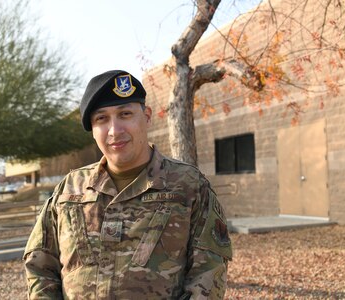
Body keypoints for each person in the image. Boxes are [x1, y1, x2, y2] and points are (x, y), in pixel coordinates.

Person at [23, 70, 233, 299]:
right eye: (101, 119)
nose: (115, 130)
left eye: (125, 114)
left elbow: (208, 275)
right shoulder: (70, 189)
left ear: (147, 116)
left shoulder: (189, 186)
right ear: (93, 130)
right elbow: (40, 267)